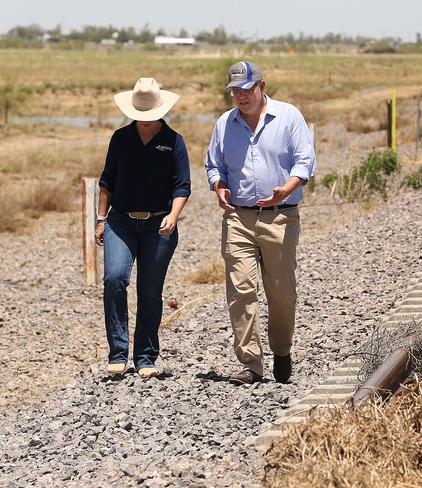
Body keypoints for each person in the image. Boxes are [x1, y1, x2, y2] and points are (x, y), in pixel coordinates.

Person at [205, 61, 316, 385]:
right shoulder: (224, 124)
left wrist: (289, 186)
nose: (241, 96)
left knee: (281, 292)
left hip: (280, 217)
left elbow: (305, 160)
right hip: (238, 217)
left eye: (247, 89)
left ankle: (281, 350)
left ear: (261, 87)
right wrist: (218, 186)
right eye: (235, 91)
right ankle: (251, 364)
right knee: (241, 291)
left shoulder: (288, 117)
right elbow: (214, 164)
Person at [95, 77, 191, 378]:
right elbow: (107, 181)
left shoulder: (174, 141)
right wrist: (100, 220)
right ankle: (118, 353)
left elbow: (182, 186)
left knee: (150, 291)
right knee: (114, 279)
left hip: (159, 225)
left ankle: (146, 357)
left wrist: (173, 216)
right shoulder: (120, 138)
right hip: (120, 221)